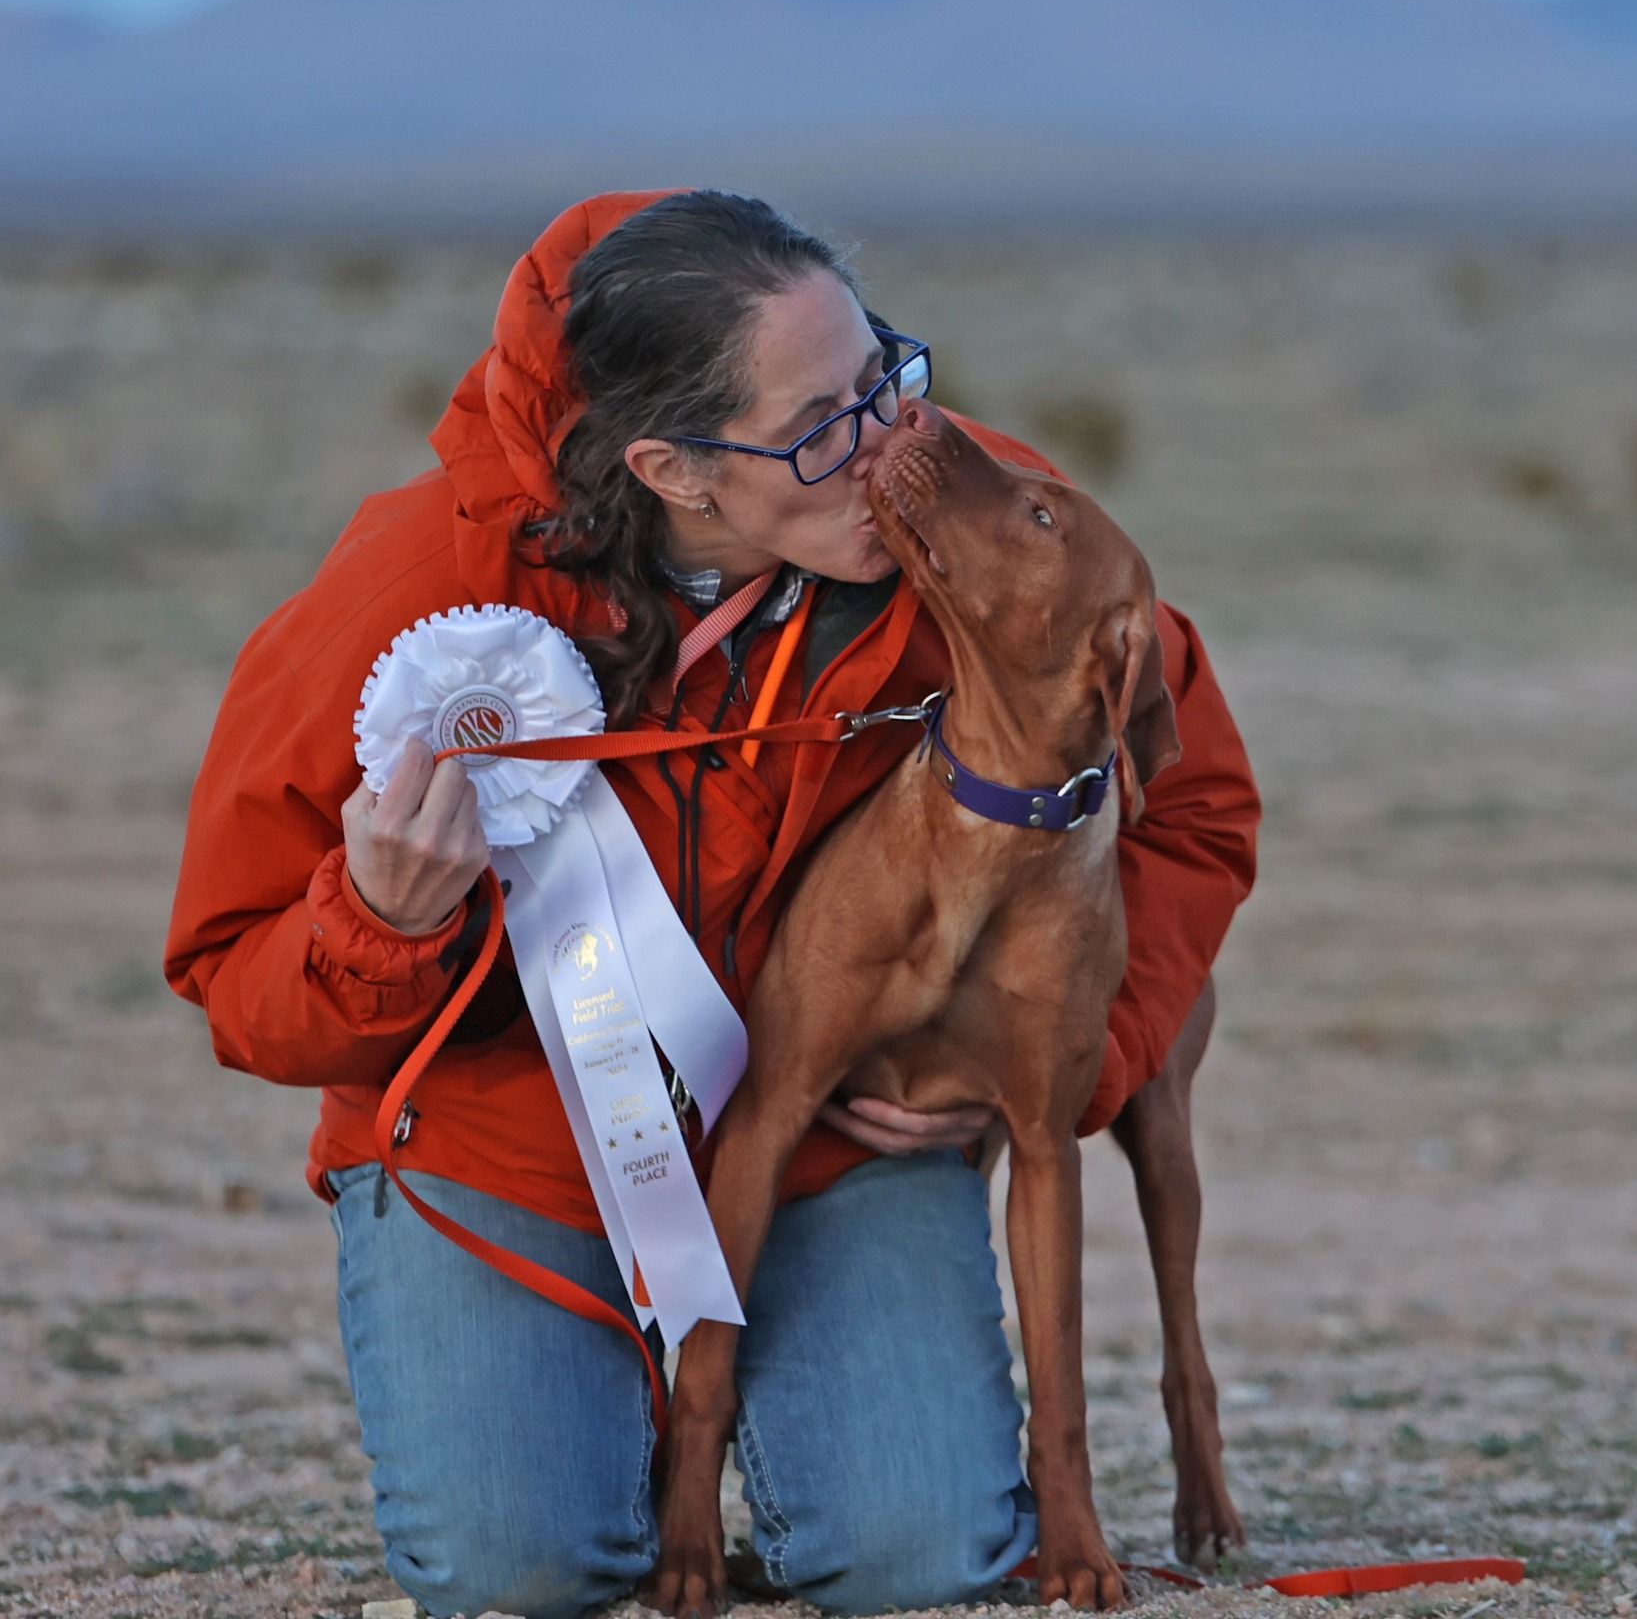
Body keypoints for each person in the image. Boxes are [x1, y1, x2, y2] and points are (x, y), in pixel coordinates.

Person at [167, 188, 1259, 1619]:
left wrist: (1072, 1063)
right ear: (672, 470)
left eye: (884, 376)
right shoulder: (423, 591)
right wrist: (380, 925)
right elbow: (231, 973)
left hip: (824, 1147)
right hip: (511, 1145)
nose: (892, 449)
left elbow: (1191, 802)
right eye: (822, 428)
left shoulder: (975, 526)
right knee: (523, 1572)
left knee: (922, 1559)